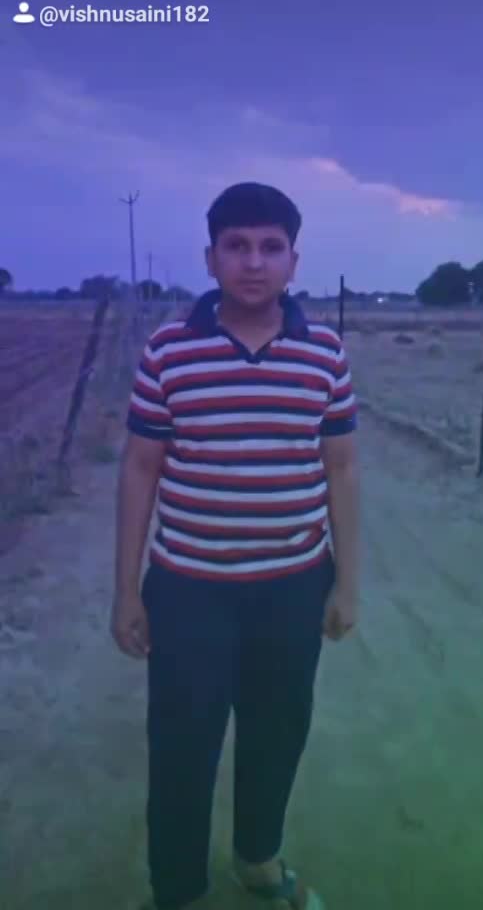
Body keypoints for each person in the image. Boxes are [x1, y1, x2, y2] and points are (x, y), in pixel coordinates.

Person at [110, 182, 362, 909]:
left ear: (293, 261)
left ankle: (257, 859)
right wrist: (126, 591)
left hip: (293, 584)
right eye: (237, 246)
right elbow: (140, 469)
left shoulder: (324, 353)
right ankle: (177, 889)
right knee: (182, 746)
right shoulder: (170, 351)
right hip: (189, 588)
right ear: (211, 257)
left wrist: (347, 583)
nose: (254, 262)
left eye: (271, 247)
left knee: (276, 736)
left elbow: (341, 468)